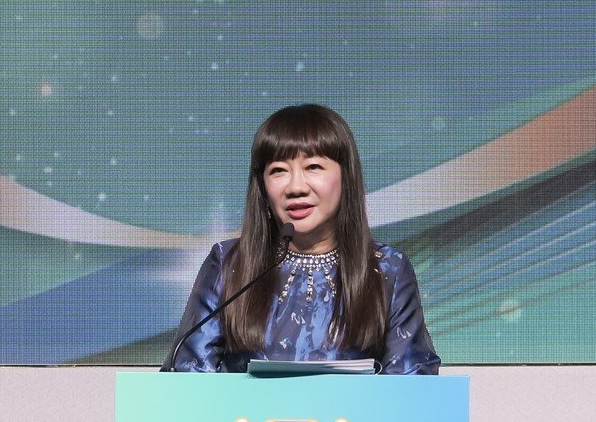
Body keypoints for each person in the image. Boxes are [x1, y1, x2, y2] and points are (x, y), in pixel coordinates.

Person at [162, 104, 440, 374]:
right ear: (262, 186)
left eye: (313, 167)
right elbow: (189, 375)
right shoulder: (228, 262)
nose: (296, 187)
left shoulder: (387, 269)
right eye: (278, 170)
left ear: (346, 176)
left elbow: (411, 382)